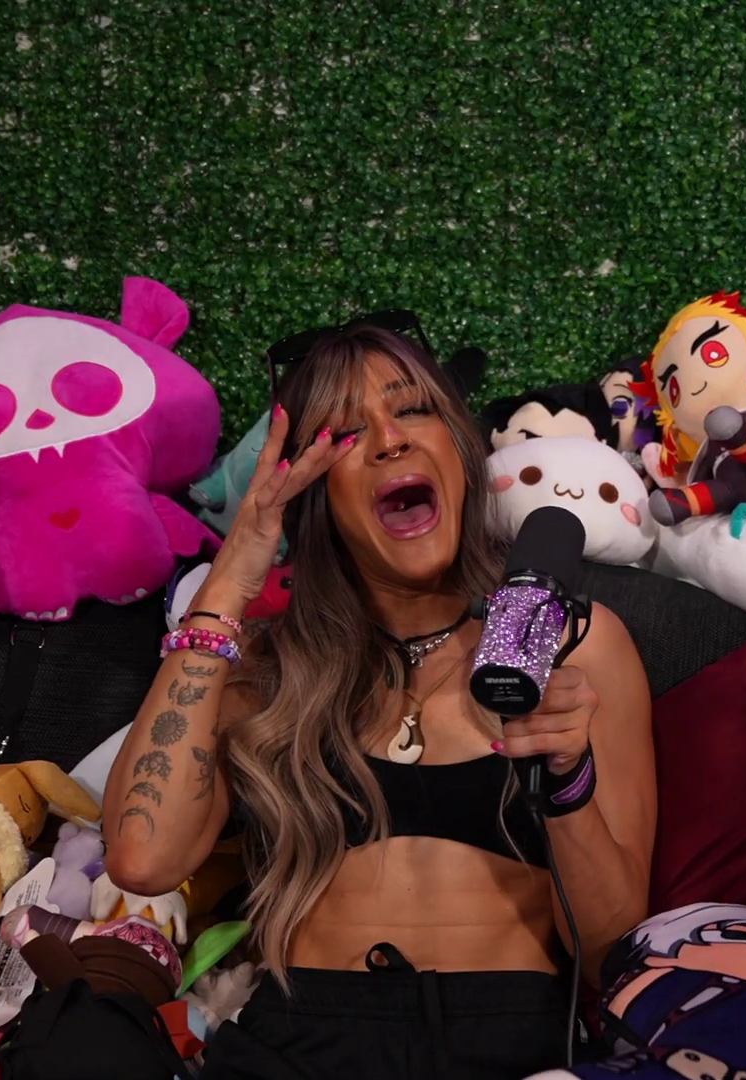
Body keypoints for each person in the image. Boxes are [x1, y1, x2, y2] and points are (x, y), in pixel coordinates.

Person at [102, 318, 655, 1080]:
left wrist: (567, 781)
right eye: (348, 432)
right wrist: (231, 577)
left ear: (459, 450)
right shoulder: (268, 668)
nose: (390, 440)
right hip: (296, 1044)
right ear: (315, 490)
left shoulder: (569, 644)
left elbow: (611, 954)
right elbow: (140, 859)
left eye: (413, 409)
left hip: (505, 1044)